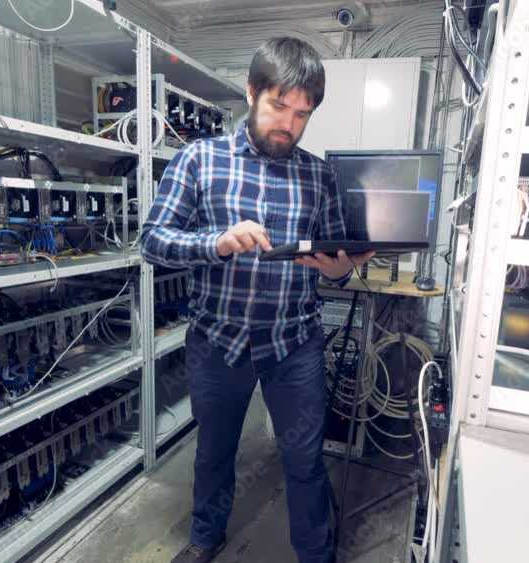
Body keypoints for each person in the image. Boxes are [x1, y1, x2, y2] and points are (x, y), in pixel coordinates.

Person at [141, 36, 373, 563]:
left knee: (305, 458)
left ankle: (316, 554)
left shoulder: (319, 175)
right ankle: (206, 539)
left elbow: (334, 257)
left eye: (302, 114)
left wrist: (341, 270)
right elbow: (152, 242)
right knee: (214, 453)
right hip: (218, 341)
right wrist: (216, 243)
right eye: (278, 106)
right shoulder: (199, 160)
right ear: (251, 91)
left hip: (295, 343)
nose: (288, 124)